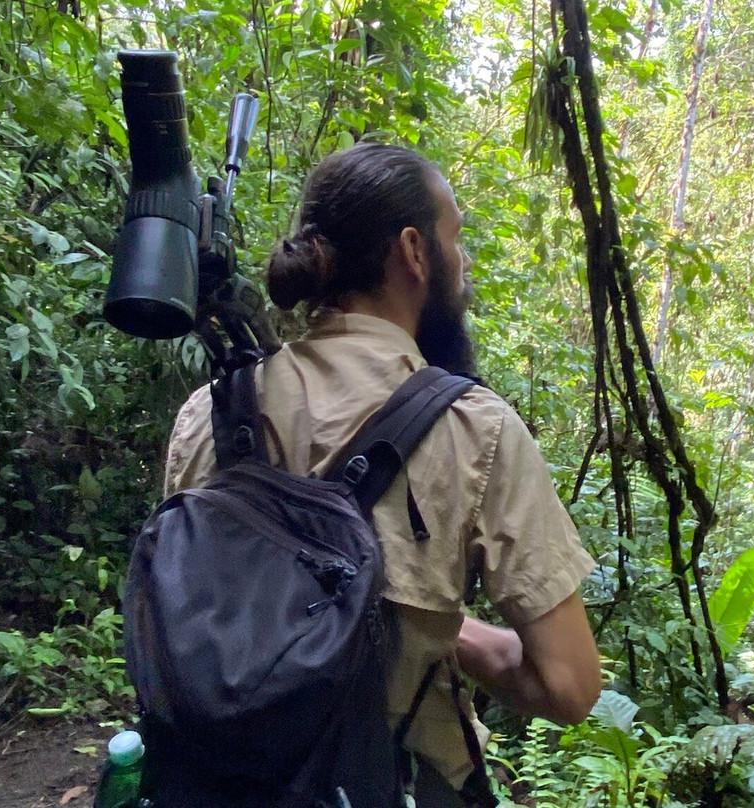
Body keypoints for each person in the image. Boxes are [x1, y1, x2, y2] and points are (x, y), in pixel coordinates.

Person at [163, 143, 602, 806]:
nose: (467, 262)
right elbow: (568, 684)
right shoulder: (474, 430)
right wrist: (444, 634)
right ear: (413, 252)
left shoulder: (208, 414)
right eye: (456, 238)